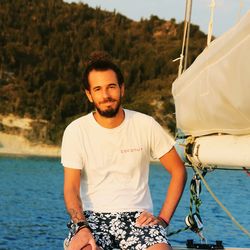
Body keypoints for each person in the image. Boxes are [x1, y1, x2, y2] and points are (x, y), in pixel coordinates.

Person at [61, 51, 187, 250]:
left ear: (122, 89)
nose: (106, 95)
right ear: (89, 95)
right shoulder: (76, 131)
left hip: (138, 218)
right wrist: (81, 226)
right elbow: (71, 189)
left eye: (111, 87)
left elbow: (179, 171)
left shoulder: (145, 125)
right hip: (92, 219)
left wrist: (162, 220)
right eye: (98, 89)